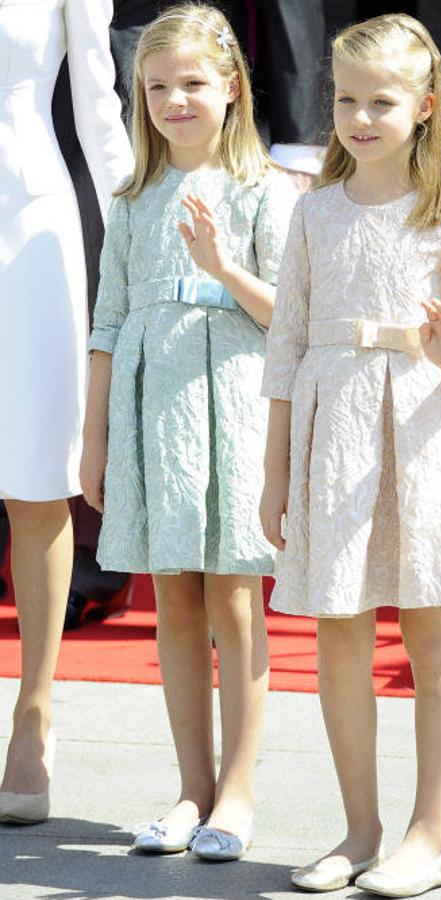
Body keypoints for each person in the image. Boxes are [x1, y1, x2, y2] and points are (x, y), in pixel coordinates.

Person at [260, 13, 441, 897]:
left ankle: (428, 833)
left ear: (423, 107)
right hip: (334, 432)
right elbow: (286, 346)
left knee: (430, 632)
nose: (359, 117)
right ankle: (357, 828)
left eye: (380, 101)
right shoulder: (312, 211)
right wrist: (274, 471)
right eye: (344, 99)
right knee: (339, 629)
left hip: (424, 433)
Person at [80, 3, 296, 858]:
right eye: (159, 85)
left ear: (233, 88)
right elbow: (105, 323)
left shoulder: (266, 189)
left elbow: (289, 316)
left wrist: (221, 269)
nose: (175, 100)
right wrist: (93, 438)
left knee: (235, 601)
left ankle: (236, 794)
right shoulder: (134, 198)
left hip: (234, 403)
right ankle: (188, 789)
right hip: (149, 408)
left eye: (193, 83)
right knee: (173, 599)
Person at [0, 0, 132, 824]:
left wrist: (138, 231)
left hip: (28, 226)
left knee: (36, 476)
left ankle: (34, 712)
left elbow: (99, 107)